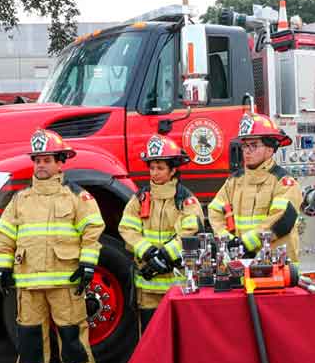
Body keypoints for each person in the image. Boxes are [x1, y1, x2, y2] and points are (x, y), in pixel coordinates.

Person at [0, 128, 105, 363]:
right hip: (28, 281)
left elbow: (92, 232)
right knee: (29, 334)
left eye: (46, 160)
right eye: (37, 160)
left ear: (60, 162)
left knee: (71, 331)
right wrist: (2, 267)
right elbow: (4, 234)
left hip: (65, 281)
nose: (41, 165)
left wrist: (88, 265)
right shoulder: (21, 200)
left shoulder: (77, 197)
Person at [118, 135, 204, 332]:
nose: (154, 173)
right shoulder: (140, 199)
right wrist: (148, 252)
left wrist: (164, 256)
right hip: (147, 287)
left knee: (180, 335)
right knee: (150, 338)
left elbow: (190, 233)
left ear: (173, 170)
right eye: (152, 167)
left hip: (177, 285)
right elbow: (127, 229)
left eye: (160, 168)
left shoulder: (186, 201)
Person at [208, 112, 302, 262]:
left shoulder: (284, 182)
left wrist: (245, 244)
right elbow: (215, 210)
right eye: (244, 145)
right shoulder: (234, 181)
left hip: (277, 267)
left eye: (254, 145)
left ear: (270, 150)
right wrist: (228, 240)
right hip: (242, 263)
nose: (247, 150)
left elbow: (281, 220)